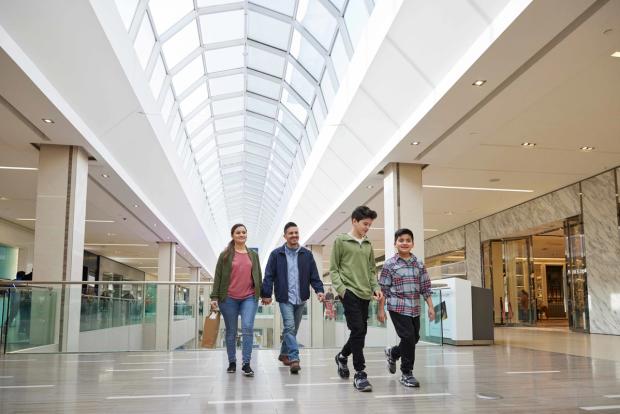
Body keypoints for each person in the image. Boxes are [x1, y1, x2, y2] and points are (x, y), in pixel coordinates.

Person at [330, 205, 383, 392]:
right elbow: (334, 269)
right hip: (349, 292)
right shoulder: (341, 241)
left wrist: (375, 287)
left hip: (365, 293)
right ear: (354, 221)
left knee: (360, 332)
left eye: (369, 225)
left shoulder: (368, 244)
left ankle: (342, 356)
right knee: (358, 329)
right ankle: (360, 373)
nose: (367, 227)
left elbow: (371, 270)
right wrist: (342, 290)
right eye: (364, 224)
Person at [261, 222, 325, 374]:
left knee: (292, 330)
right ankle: (294, 358)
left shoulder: (306, 254)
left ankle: (284, 354)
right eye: (291, 233)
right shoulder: (276, 254)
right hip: (285, 298)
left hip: (301, 297)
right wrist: (266, 293)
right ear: (285, 236)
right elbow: (269, 275)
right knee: (289, 327)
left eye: (296, 232)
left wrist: (319, 290)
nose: (294, 235)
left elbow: (314, 276)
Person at [377, 228, 434, 388]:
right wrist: (381, 310)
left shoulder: (419, 264)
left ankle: (393, 353)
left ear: (413, 244)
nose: (404, 243)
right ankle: (406, 373)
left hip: (415, 307)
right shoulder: (389, 265)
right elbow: (384, 290)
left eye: (408, 240)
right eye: (401, 240)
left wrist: (431, 307)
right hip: (397, 307)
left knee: (413, 338)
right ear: (395, 243)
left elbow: (425, 287)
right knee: (408, 337)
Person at [210, 224, 262, 377]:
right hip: (229, 298)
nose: (241, 234)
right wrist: (214, 297)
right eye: (238, 232)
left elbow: (258, 275)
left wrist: (264, 293)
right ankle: (232, 361)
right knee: (231, 331)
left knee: (247, 328)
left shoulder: (253, 255)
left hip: (249, 297)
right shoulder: (225, 255)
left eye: (244, 232)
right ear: (232, 235)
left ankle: (246, 364)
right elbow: (218, 276)